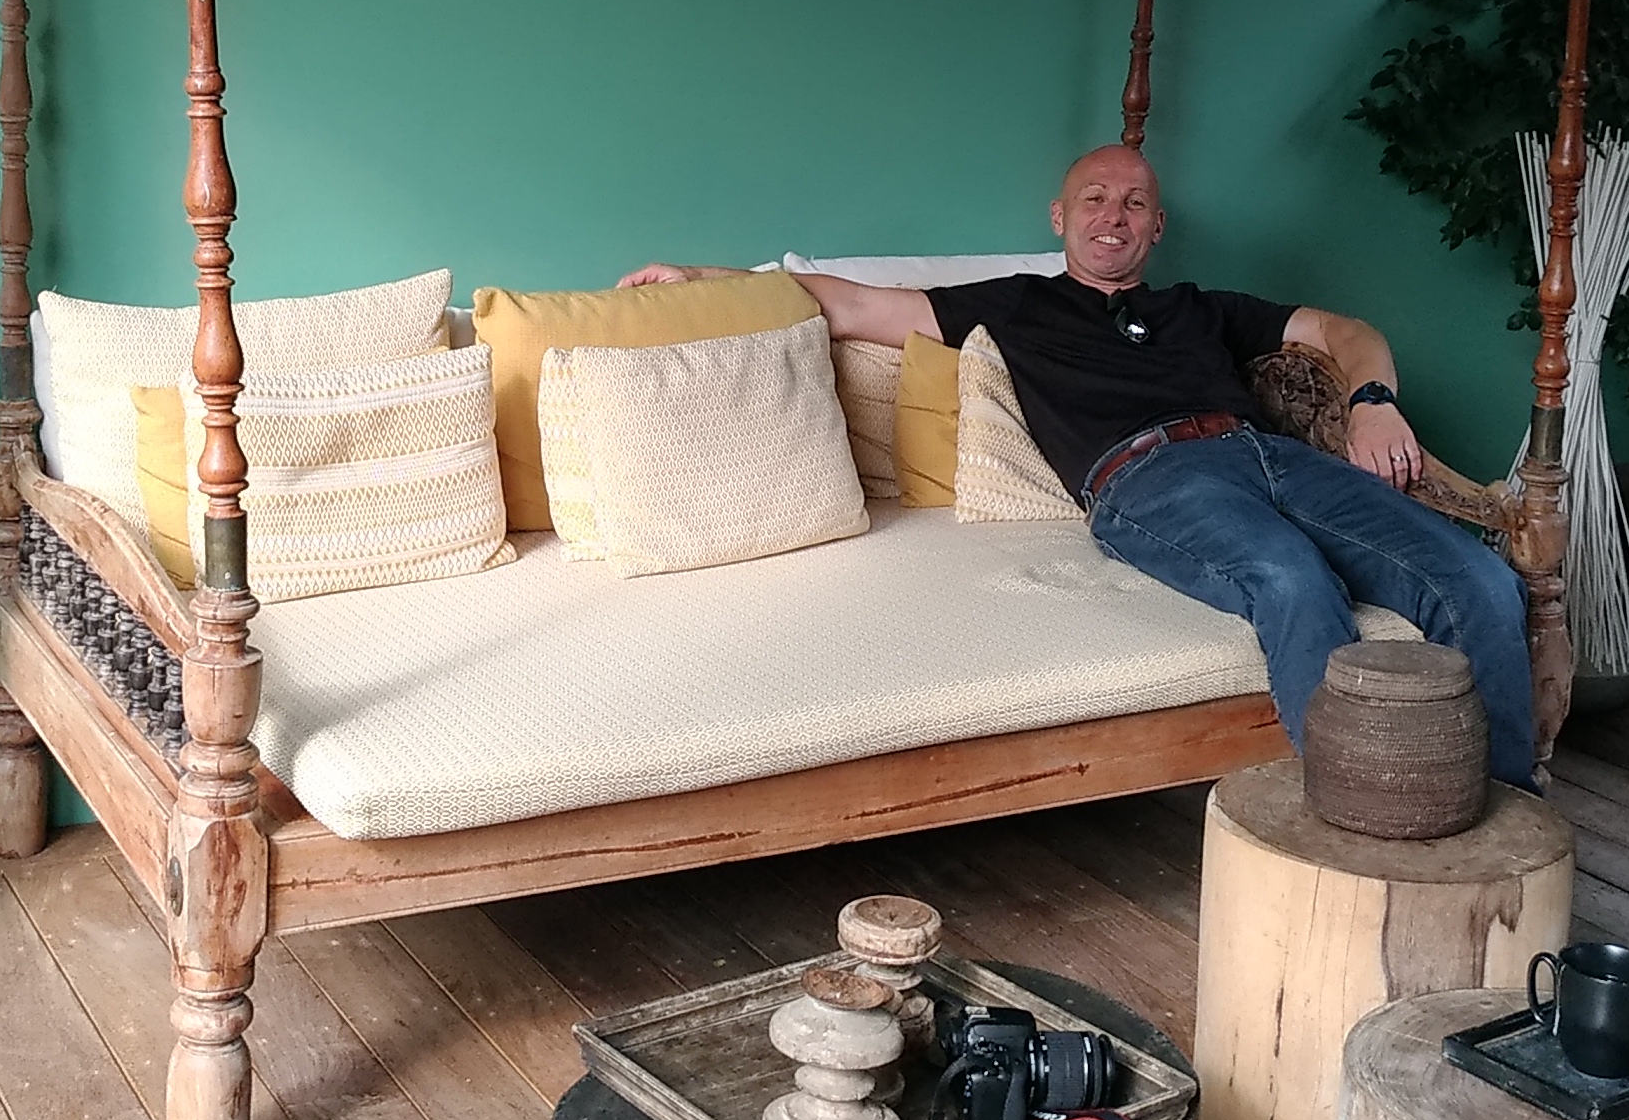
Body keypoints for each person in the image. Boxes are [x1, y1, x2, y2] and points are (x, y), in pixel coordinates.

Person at [624, 144, 1537, 789]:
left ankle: (1509, 813)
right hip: (1149, 480)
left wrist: (1373, 399)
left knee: (1479, 579)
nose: (1114, 216)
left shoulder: (1202, 307)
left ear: (1157, 226)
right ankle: (1359, 818)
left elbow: (1344, 330)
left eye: (1134, 203)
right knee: (1292, 578)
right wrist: (707, 279)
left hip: (1274, 456)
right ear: (1061, 219)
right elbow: (854, 305)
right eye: (1095, 199)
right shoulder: (1017, 304)